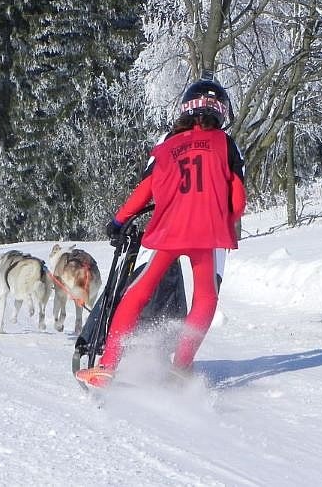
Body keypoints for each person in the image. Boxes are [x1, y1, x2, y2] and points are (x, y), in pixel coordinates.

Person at [75, 78, 246, 388]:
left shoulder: (167, 144)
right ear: (221, 112)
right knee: (205, 297)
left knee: (137, 292)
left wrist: (118, 220)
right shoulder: (226, 144)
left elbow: (146, 190)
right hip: (207, 235)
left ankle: (108, 364)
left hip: (168, 230)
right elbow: (238, 198)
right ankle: (181, 366)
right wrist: (225, 219)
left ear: (185, 108)